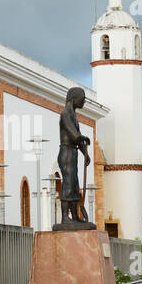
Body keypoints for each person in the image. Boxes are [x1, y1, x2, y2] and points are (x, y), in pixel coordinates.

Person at [56, 86, 93, 228]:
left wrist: (85, 153)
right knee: (68, 184)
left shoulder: (73, 115)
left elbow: (78, 137)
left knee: (75, 185)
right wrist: (83, 138)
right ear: (74, 98)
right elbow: (74, 135)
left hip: (73, 152)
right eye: (82, 99)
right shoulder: (65, 114)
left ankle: (75, 216)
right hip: (66, 152)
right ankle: (65, 218)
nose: (84, 101)